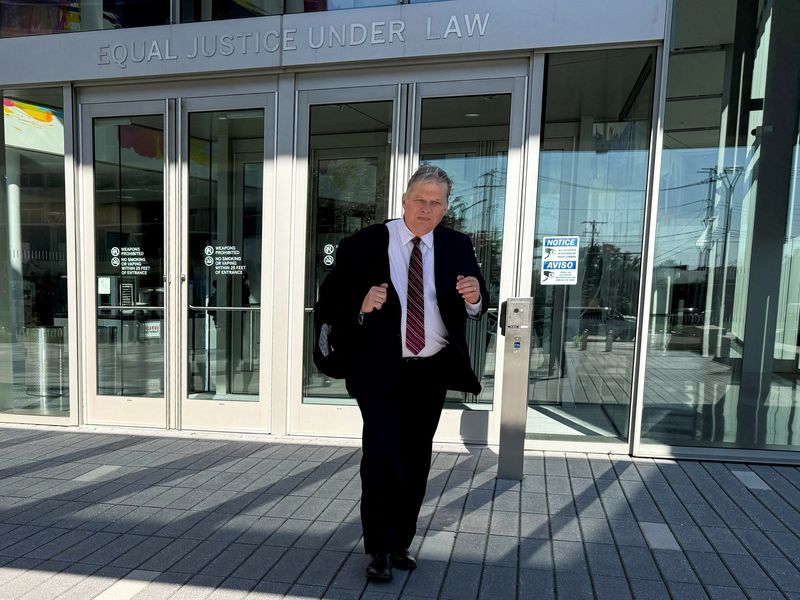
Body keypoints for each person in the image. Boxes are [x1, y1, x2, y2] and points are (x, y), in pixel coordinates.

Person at [318, 165, 489, 582]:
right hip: (379, 371)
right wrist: (361, 303)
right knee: (380, 457)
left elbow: (480, 301)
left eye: (436, 203)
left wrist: (475, 297)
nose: (427, 209)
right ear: (404, 201)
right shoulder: (364, 244)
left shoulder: (457, 244)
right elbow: (330, 300)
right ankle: (377, 548)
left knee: (415, 459)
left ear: (445, 207)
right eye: (420, 200)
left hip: (430, 370)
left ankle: (400, 542)